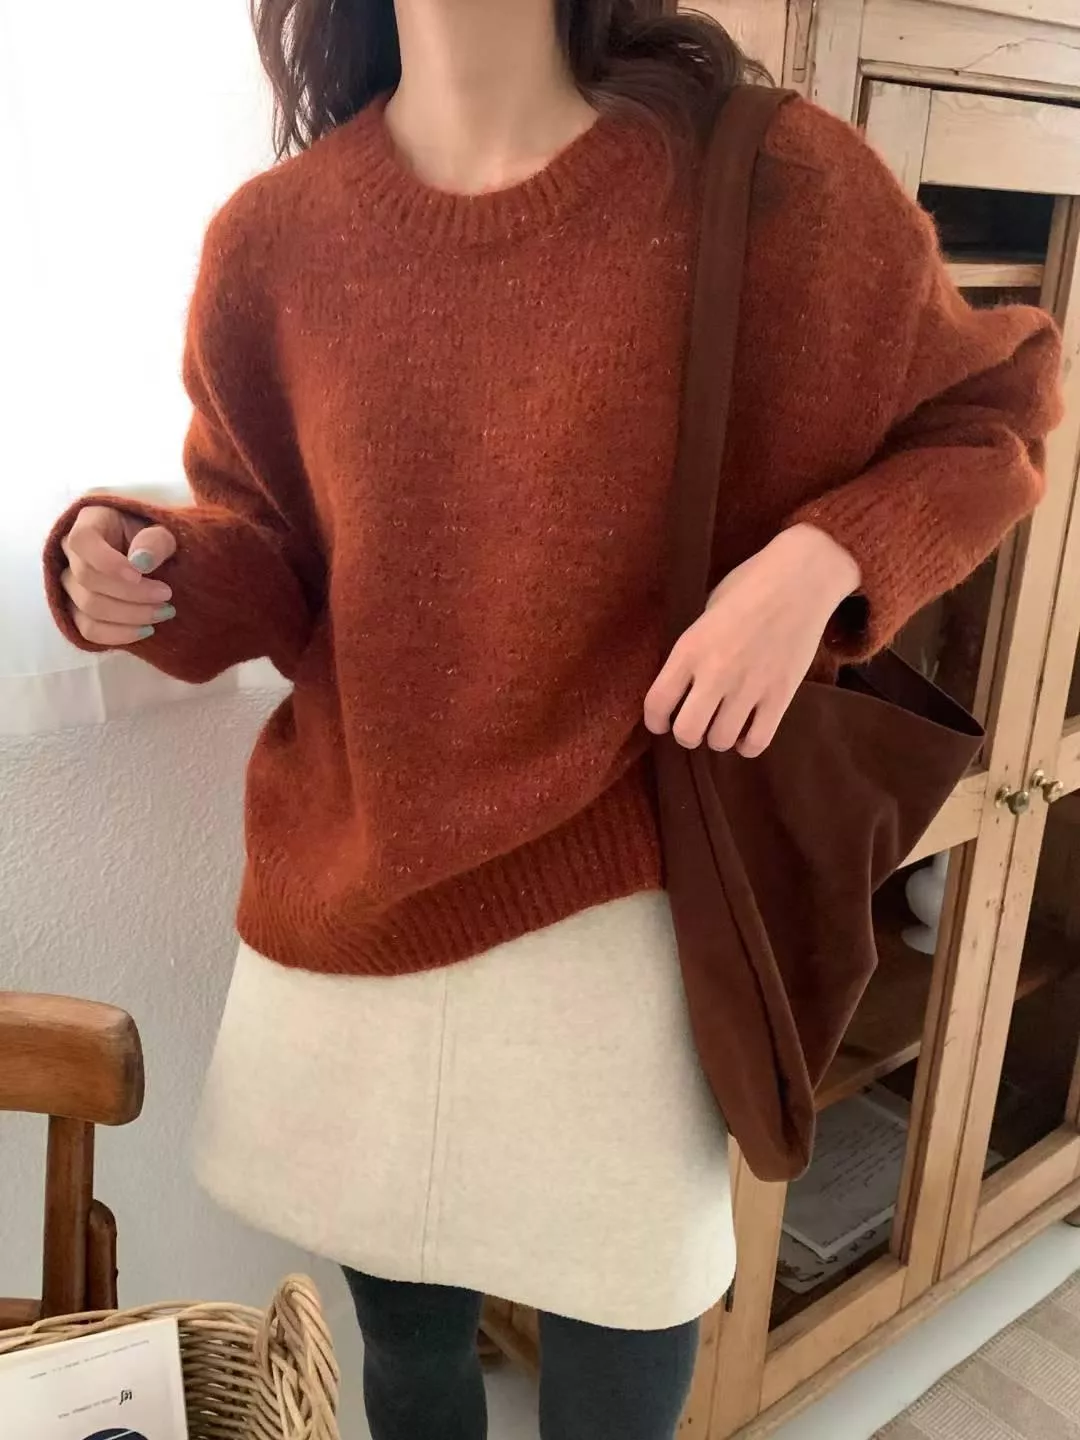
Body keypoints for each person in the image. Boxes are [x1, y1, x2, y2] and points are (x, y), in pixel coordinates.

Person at [43, 1, 1061, 1437]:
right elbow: (268, 550)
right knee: (405, 1354)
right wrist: (138, 563)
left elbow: (997, 409)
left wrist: (824, 559)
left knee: (621, 1363)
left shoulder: (773, 181)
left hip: (626, 915)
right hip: (355, 908)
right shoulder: (274, 241)